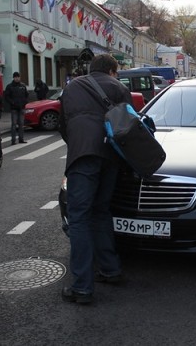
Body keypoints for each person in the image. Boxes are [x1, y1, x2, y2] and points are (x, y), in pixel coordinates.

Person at [59, 54, 132, 305]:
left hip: (83, 156)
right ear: (112, 71)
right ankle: (111, 270)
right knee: (101, 211)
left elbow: (63, 125)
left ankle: (82, 287)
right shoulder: (121, 88)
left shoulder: (72, 86)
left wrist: (80, 145)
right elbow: (129, 124)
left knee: (79, 218)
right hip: (111, 156)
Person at [4, 71, 29, 145]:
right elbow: (6, 96)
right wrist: (12, 102)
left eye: (18, 77)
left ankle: (21, 139)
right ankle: (13, 140)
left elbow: (26, 95)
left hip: (22, 107)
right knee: (14, 124)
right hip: (14, 108)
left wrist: (25, 102)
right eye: (15, 77)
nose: (17, 78)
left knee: (21, 124)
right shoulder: (10, 86)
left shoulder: (23, 85)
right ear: (13, 78)